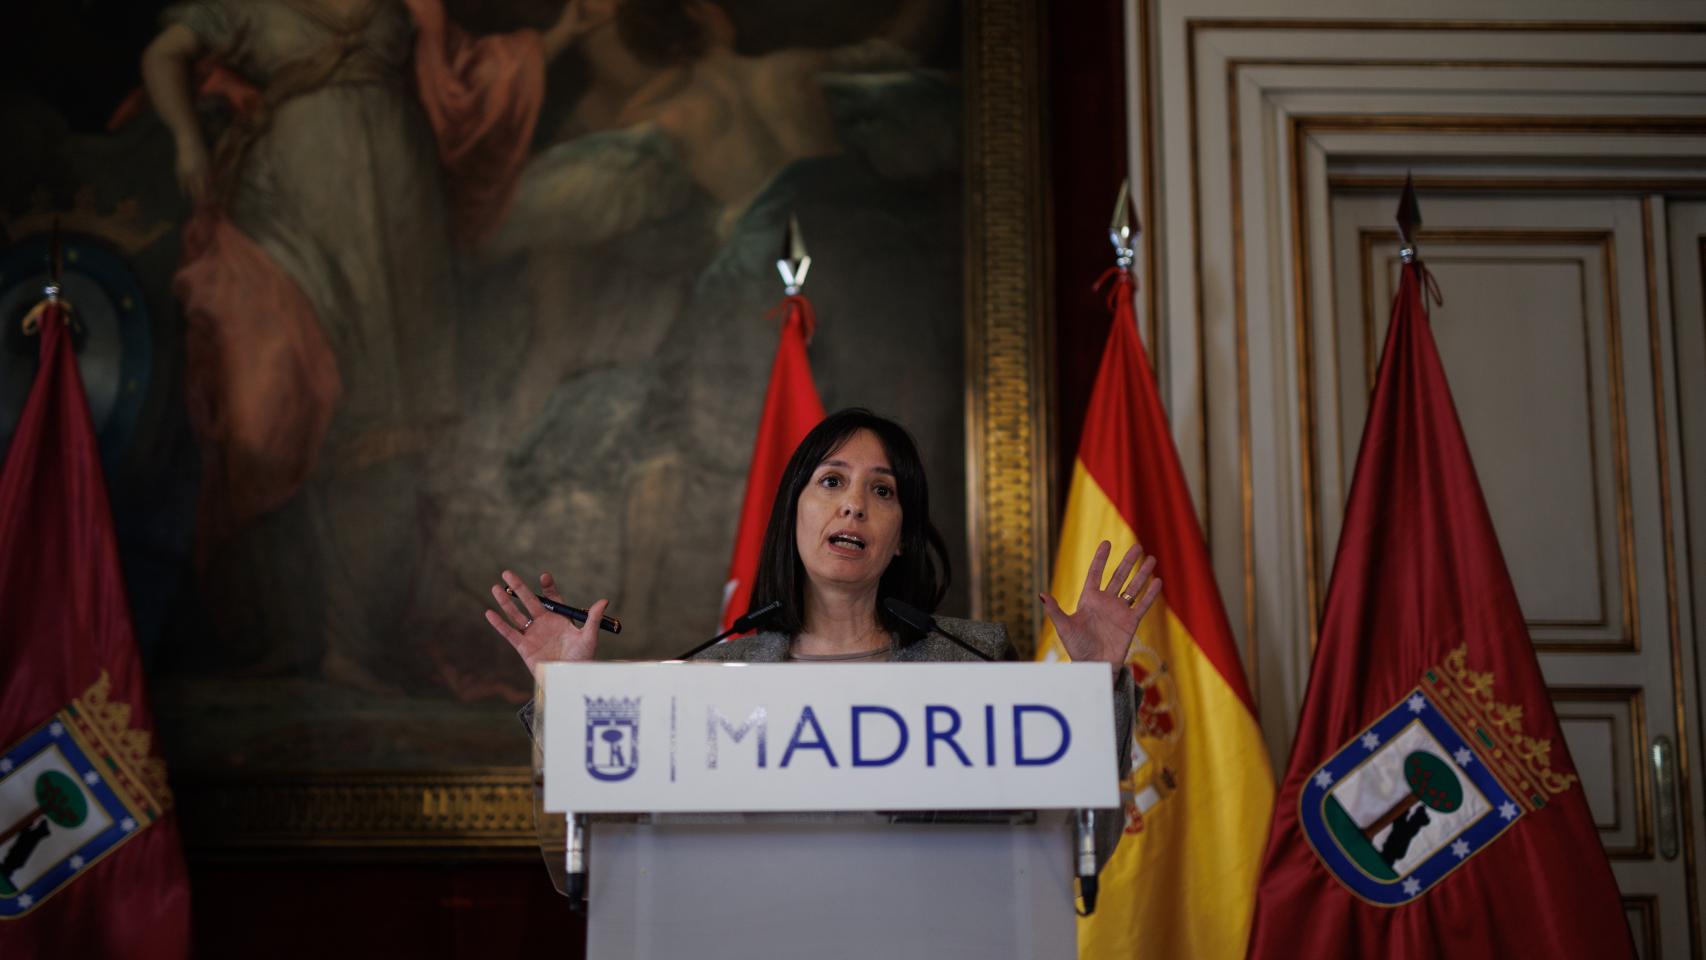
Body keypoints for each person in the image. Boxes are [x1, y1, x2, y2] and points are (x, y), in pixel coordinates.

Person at [484, 408, 1162, 867]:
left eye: (883, 491)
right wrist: (563, 696)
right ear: (796, 513)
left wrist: (1096, 684)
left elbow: (1075, 845)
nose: (853, 505)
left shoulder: (975, 662)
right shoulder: (716, 677)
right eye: (831, 481)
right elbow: (608, 840)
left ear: (901, 537)